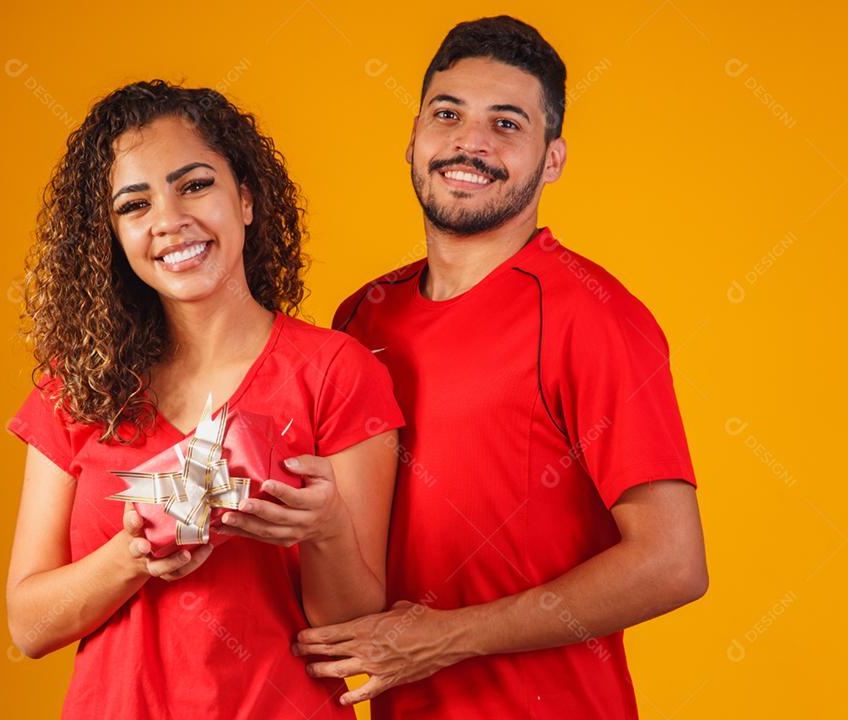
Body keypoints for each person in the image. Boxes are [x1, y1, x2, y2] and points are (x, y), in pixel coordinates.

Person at [292, 16, 708, 719]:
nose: (470, 141)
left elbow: (672, 561)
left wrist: (447, 638)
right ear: (414, 140)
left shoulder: (592, 314)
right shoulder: (361, 317)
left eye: (507, 124)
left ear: (552, 159)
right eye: (447, 113)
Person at [4, 80, 403, 719]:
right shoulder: (77, 384)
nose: (168, 220)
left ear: (245, 199)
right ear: (111, 235)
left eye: (194, 185)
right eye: (135, 205)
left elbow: (353, 634)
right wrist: (134, 553)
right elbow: (29, 625)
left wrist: (326, 531)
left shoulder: (336, 372)